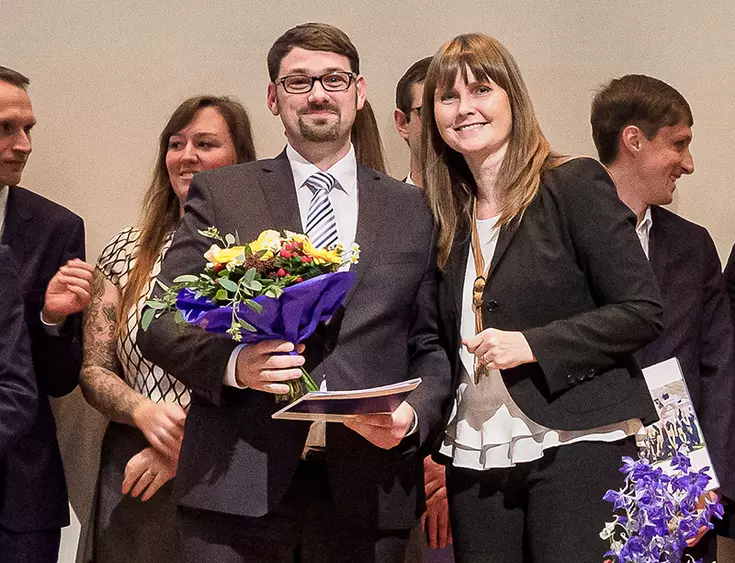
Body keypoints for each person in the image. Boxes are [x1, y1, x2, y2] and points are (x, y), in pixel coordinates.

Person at [138, 22, 451, 563]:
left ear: (359, 91)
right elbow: (161, 320)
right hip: (235, 490)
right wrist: (236, 363)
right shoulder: (225, 193)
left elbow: (429, 343)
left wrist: (413, 415)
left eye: (334, 79)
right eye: (298, 82)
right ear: (273, 98)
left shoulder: (412, 209)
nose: (318, 94)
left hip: (369, 495)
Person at [421, 34, 663, 562]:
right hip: (475, 451)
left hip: (575, 441)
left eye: (481, 90)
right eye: (448, 97)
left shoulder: (571, 183)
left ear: (513, 98)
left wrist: (533, 344)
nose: (465, 109)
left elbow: (641, 311)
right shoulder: (445, 216)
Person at [79, 95, 256, 563]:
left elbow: (274, 370)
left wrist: (186, 445)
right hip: (135, 466)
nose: (187, 156)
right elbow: (95, 372)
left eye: (206, 143)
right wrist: (143, 412)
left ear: (240, 156)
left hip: (230, 465)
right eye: (176, 144)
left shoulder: (266, 254)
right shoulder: (125, 249)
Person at [591, 74, 735, 562]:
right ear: (634, 140)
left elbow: (719, 373)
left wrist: (707, 484)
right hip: (582, 482)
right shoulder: (557, 241)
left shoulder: (693, 246)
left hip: (682, 486)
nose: (688, 163)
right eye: (679, 144)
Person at [0, 65, 93, 563]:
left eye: (27, 128)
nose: (24, 144)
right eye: (5, 129)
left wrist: (53, 320)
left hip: (20, 498)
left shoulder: (57, 227)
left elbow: (59, 383)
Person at [394, 56, 432, 187]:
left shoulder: (488, 204)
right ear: (402, 123)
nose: (442, 122)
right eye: (428, 112)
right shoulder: (381, 206)